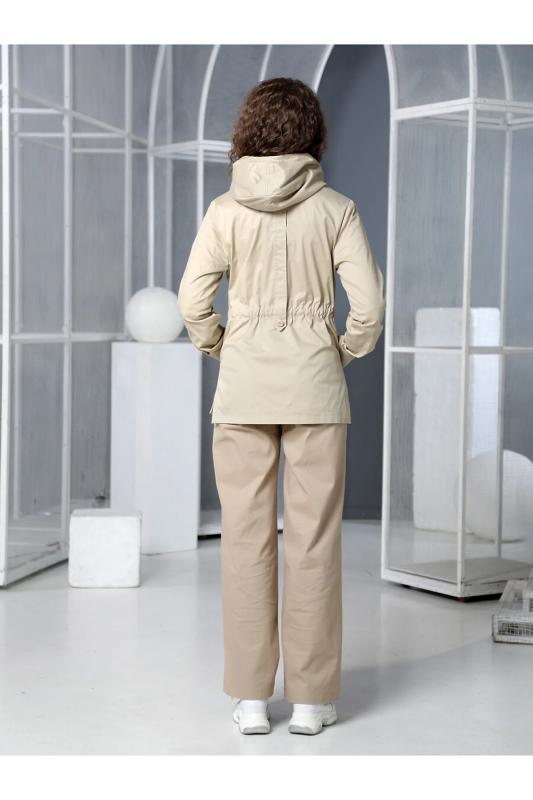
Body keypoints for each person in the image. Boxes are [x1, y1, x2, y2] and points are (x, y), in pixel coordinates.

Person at [177, 77, 385, 736]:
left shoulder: (223, 209)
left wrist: (223, 348)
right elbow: (369, 310)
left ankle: (249, 700)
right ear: (313, 136)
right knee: (313, 544)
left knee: (243, 542)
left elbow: (192, 302)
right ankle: (312, 701)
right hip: (315, 391)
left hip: (242, 390)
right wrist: (338, 353)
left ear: (249, 131)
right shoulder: (337, 209)